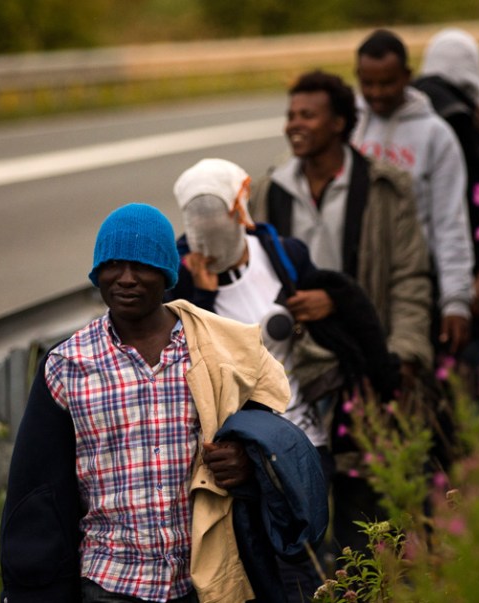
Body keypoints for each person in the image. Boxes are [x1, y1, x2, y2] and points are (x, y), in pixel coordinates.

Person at [0, 203, 328, 603]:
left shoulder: (216, 352)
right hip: (110, 581)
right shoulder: (67, 365)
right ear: (97, 274)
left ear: (167, 274)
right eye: (113, 265)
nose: (126, 279)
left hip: (206, 581)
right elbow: (39, 488)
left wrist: (247, 464)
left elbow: (269, 441)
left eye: (142, 266)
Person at [169, 158, 401, 602]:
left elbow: (342, 303)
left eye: (215, 211)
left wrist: (328, 303)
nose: (208, 225)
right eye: (197, 215)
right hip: (240, 448)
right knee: (268, 561)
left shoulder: (281, 254)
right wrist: (202, 294)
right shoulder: (181, 276)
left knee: (309, 551)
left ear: (239, 207)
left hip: (305, 434)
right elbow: (190, 356)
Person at [249, 69, 433, 562]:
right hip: (294, 373)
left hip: (365, 367)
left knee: (364, 501)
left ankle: (366, 583)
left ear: (339, 122)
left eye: (308, 115)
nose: (294, 124)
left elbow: (410, 276)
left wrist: (402, 354)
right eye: (291, 114)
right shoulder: (269, 190)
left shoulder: (384, 186)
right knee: (296, 499)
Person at [351, 29, 474, 359]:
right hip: (358, 278)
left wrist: (456, 300)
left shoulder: (436, 136)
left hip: (413, 282)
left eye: (387, 83)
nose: (377, 93)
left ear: (407, 76)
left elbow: (450, 221)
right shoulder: (346, 126)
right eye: (368, 83)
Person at [412, 27, 479, 399]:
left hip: (423, 285)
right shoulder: (464, 119)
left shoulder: (415, 117)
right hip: (468, 281)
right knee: (470, 390)